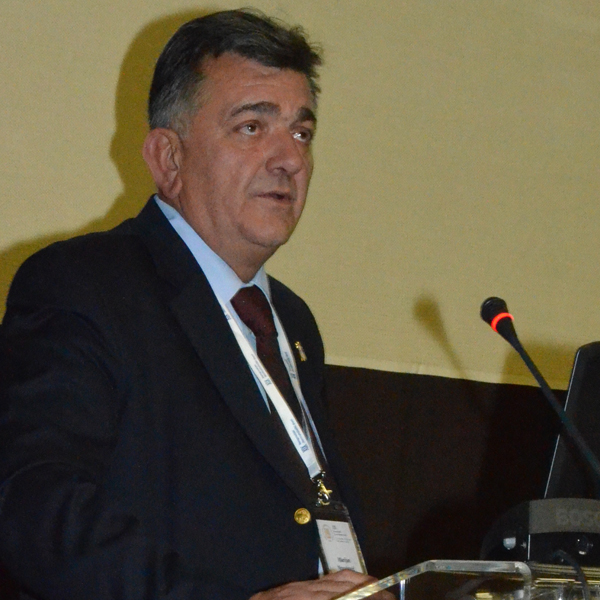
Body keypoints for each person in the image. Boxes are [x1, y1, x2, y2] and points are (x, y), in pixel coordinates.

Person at [0, 9, 378, 600]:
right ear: (168, 159)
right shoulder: (84, 285)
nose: (290, 158)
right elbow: (37, 508)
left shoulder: (293, 322)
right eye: (252, 126)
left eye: (301, 133)